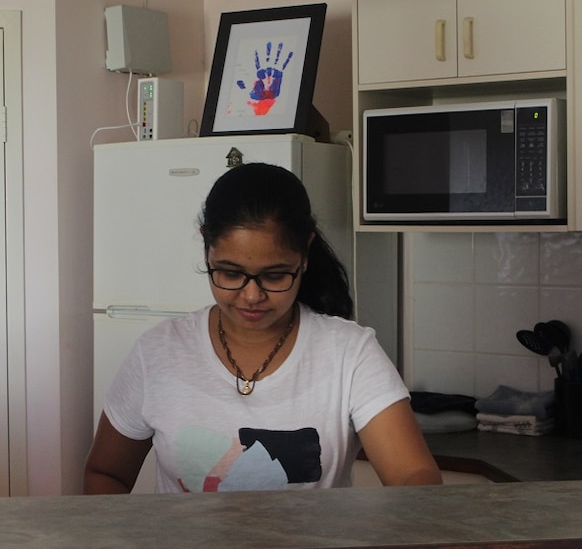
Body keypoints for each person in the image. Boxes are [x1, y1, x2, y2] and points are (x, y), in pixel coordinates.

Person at [83, 162, 441, 494]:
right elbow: (106, 473)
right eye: (230, 273)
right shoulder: (157, 354)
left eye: (275, 275)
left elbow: (414, 477)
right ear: (206, 244)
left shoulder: (350, 354)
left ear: (306, 251)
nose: (251, 296)